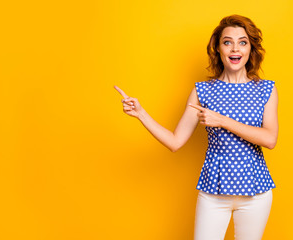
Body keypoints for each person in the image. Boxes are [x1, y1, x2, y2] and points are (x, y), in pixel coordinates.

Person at [114, 14, 278, 240]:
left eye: (243, 42)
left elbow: (270, 139)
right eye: (227, 42)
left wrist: (221, 120)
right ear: (218, 49)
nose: (235, 49)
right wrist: (141, 114)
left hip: (256, 193)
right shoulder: (203, 91)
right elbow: (175, 141)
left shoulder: (266, 90)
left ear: (250, 49)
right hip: (214, 193)